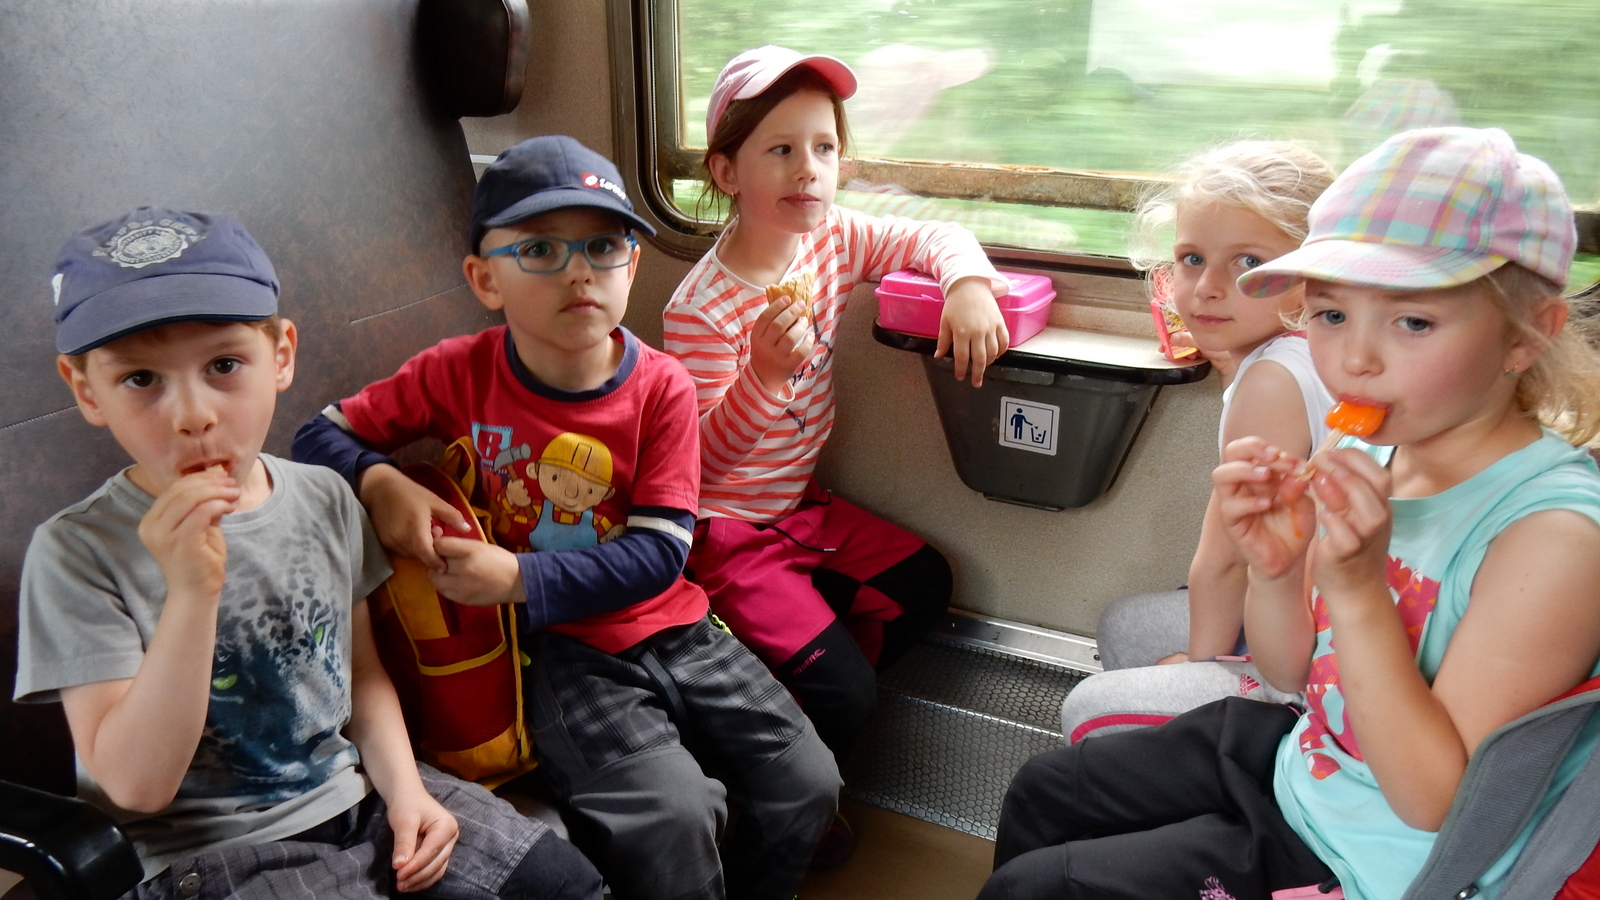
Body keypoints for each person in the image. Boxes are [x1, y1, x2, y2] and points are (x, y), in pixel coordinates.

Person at [982, 126, 1600, 900]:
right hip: (1308, 761)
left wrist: (1356, 591)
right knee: (1048, 790)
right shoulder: (1374, 448)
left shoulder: (1551, 539)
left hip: (1369, 858)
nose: (1355, 360)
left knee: (1040, 888)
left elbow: (1435, 801)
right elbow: (1290, 672)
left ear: (1527, 336)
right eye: (1332, 315)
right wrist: (1275, 570)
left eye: (1413, 322)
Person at [292, 135, 840, 900]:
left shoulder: (663, 388)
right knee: (675, 817)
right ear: (486, 279)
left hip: (677, 624)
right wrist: (379, 480)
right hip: (560, 647)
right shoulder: (458, 372)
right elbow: (317, 436)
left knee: (811, 783)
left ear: (631, 268)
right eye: (540, 249)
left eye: (603, 247)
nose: (580, 270)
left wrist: (515, 576)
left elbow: (659, 554)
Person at [13, 207, 603, 900]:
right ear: (87, 390)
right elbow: (137, 788)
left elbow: (361, 675)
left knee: (565, 883)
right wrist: (192, 593)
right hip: (209, 853)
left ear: (281, 356)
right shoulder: (75, 553)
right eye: (141, 380)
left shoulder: (323, 497)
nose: (192, 415)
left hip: (357, 796)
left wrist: (407, 792)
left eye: (224, 365)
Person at [660, 47, 1008, 854]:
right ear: (727, 172)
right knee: (847, 691)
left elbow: (933, 235)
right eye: (780, 149)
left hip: (798, 510)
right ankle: (784, 804)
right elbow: (701, 467)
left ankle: (789, 719)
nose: (808, 169)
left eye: (824, 147)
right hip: (725, 531)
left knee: (924, 583)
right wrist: (764, 376)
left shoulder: (833, 238)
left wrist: (967, 285)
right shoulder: (701, 308)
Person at [1063, 142, 1336, 740]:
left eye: (1247, 263)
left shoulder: (1270, 382)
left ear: (1310, 274)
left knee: (1087, 708)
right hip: (1308, 606)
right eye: (1192, 258)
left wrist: (1200, 666)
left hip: (1306, 660)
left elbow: (1225, 560)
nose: (1208, 287)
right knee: (1126, 623)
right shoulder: (1314, 352)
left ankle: (1203, 756)